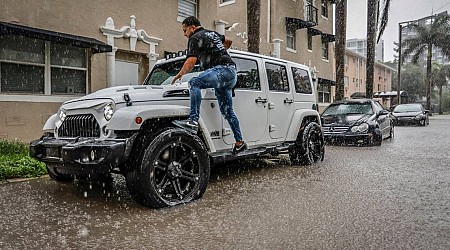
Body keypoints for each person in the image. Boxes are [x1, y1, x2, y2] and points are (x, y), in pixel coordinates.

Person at [171, 16, 247, 155]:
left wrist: (179, 75)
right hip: (231, 74)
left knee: (194, 82)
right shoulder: (212, 34)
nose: (184, 34)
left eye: (185, 30)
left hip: (222, 70)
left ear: (192, 27)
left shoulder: (194, 38)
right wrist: (217, 51)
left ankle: (193, 121)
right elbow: (229, 41)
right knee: (227, 111)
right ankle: (240, 142)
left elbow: (191, 62)